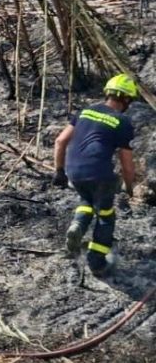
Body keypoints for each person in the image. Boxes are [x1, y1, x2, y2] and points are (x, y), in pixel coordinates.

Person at [52, 74, 138, 277]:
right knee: (106, 215)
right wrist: (129, 187)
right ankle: (97, 261)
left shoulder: (85, 111)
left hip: (74, 171)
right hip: (100, 174)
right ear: (126, 99)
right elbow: (127, 164)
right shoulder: (122, 121)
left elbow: (60, 141)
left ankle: (78, 224)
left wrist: (59, 171)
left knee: (87, 199)